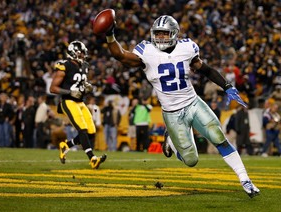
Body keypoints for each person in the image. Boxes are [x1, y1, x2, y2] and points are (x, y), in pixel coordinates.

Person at [103, 14, 259, 197]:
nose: (160, 37)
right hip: (172, 113)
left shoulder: (187, 48)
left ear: (174, 34)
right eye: (158, 33)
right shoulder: (146, 52)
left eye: (164, 33)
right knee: (191, 160)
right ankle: (170, 139)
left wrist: (227, 86)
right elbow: (120, 55)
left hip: (193, 103)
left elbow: (206, 69)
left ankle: (245, 180)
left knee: (219, 136)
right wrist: (110, 35)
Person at [50, 40, 106, 169]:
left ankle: (66, 145)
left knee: (91, 132)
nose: (83, 56)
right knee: (82, 130)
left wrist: (87, 87)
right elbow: (53, 88)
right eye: (80, 53)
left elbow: (80, 84)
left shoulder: (84, 66)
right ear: (73, 53)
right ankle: (92, 158)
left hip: (80, 102)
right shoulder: (64, 65)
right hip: (68, 101)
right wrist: (69, 91)